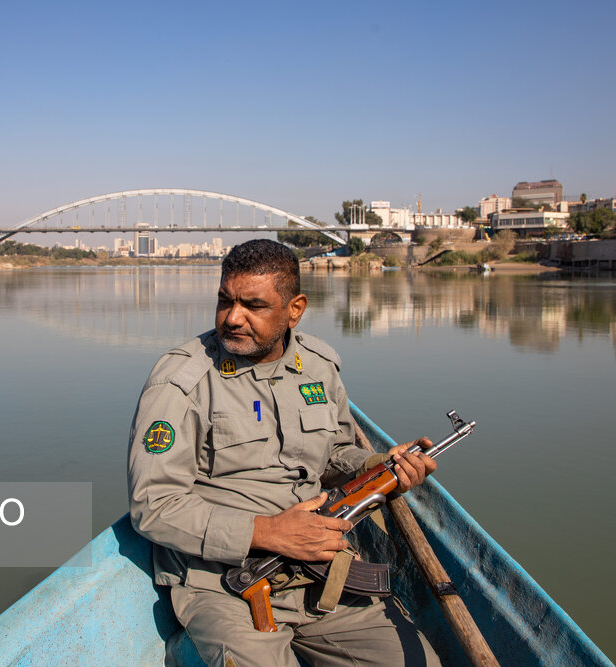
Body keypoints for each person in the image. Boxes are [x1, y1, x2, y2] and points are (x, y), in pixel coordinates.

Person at [128, 239, 439, 666]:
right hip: (225, 585)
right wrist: (266, 533)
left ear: (295, 309)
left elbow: (333, 452)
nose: (232, 318)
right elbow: (153, 505)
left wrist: (377, 467)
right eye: (224, 301)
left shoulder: (319, 366)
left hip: (319, 571)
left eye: (253, 305)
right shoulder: (181, 382)